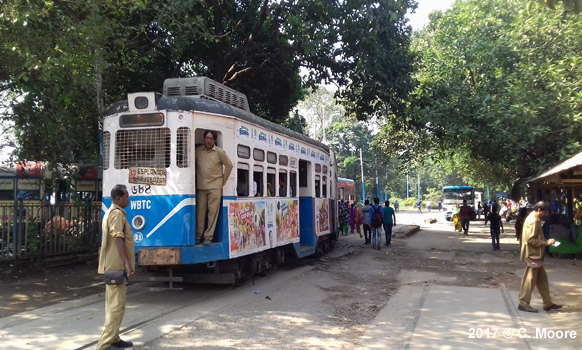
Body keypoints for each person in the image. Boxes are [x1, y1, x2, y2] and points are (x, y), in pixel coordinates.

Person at [96, 185, 135, 350]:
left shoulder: (112, 212)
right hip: (116, 265)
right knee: (115, 306)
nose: (128, 199)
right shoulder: (117, 214)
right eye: (126, 196)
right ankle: (104, 345)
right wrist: (127, 262)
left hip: (113, 264)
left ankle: (114, 338)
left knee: (116, 304)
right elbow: (118, 239)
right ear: (118, 198)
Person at [517, 201, 562, 313]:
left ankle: (548, 303)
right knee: (529, 280)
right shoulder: (533, 221)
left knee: (542, 280)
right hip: (533, 255)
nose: (546, 214)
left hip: (536, 255)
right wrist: (546, 242)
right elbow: (530, 239)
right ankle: (523, 303)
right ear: (539, 210)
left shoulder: (535, 219)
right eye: (545, 212)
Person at [195, 130, 233, 245]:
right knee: (200, 212)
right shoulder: (198, 151)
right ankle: (198, 235)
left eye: (211, 138)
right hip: (201, 186)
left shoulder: (219, 152)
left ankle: (208, 236)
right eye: (206, 138)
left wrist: (223, 180)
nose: (208, 140)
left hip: (215, 187)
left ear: (214, 140)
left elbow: (229, 165)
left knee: (213, 212)